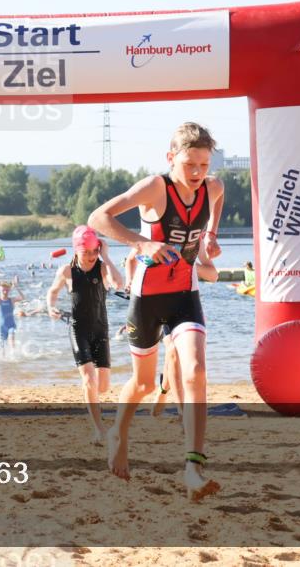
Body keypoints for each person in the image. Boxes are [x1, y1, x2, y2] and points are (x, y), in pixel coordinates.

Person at [88, 121, 224, 501]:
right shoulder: (154, 187)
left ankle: (193, 468)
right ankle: (118, 433)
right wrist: (144, 243)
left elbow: (219, 195)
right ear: (171, 158)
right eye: (189, 165)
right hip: (146, 298)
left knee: (195, 370)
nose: (198, 174)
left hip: (185, 294)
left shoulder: (211, 186)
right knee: (145, 384)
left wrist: (211, 234)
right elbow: (98, 218)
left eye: (203, 165)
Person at [47, 226, 123, 444]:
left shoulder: (102, 267)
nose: (90, 257)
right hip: (78, 328)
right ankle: (99, 430)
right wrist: (50, 307)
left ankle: (91, 399)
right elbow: (52, 292)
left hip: (101, 329)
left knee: (103, 386)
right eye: (85, 252)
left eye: (94, 251)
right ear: (76, 251)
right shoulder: (66, 271)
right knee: (89, 379)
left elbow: (119, 283)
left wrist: (106, 256)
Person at [0, 277, 25, 348]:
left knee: (12, 338)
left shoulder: (11, 300)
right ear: (0, 290)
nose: (5, 292)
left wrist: (16, 287)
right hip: (2, 327)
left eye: (7, 290)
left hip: (11, 325)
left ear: (9, 290)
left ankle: (13, 355)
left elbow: (22, 297)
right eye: (3, 290)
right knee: (2, 347)